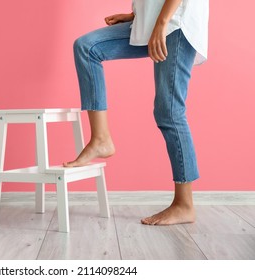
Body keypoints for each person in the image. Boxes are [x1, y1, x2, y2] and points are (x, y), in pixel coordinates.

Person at [63, 0, 209, 225]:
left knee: (169, 111)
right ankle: (101, 139)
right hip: (152, 22)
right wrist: (137, 16)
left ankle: (184, 204)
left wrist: (161, 22)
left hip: (175, 24)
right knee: (87, 47)